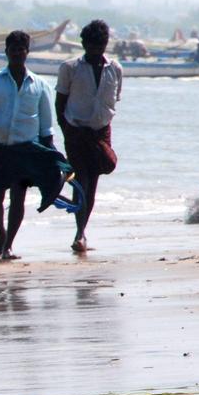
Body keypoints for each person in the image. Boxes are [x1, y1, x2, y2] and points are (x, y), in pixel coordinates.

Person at [0, 30, 63, 261]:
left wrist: (52, 157)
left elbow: (46, 126)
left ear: (27, 52)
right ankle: (0, 235)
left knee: (18, 198)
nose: (17, 53)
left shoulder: (39, 85)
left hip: (26, 150)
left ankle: (9, 245)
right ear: (6, 52)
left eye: (21, 49)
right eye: (13, 49)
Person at [56, 20, 122, 254]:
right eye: (92, 46)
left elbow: (112, 101)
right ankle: (80, 233)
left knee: (92, 181)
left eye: (100, 46)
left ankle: (82, 229)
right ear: (84, 44)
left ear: (105, 45)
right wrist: (67, 131)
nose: (95, 50)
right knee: (81, 180)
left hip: (101, 130)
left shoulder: (115, 69)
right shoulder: (70, 68)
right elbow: (60, 103)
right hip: (75, 129)